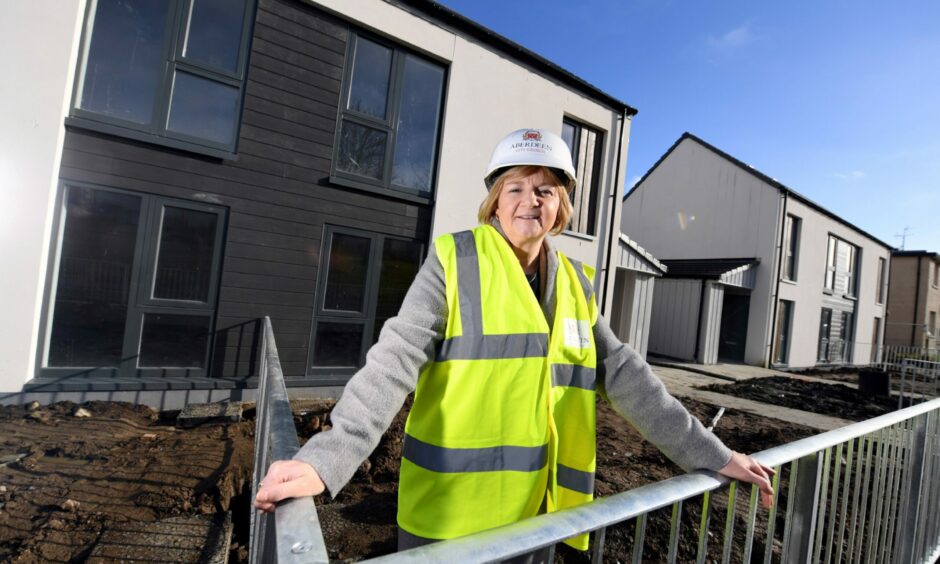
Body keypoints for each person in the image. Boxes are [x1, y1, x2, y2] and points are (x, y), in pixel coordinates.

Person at [254, 128, 775, 553]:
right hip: (450, 519)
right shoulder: (453, 262)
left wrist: (712, 453)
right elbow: (394, 359)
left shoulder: (576, 282)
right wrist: (327, 459)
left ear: (561, 206)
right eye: (517, 187)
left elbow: (626, 375)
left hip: (542, 516)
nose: (531, 201)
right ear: (495, 202)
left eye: (546, 190)